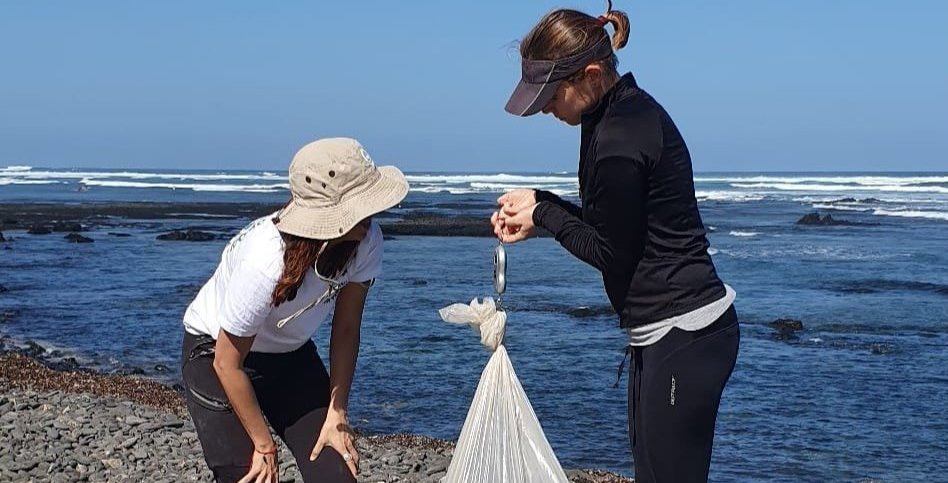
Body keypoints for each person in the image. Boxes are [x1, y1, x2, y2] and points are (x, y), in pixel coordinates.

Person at [492, 4, 740, 482]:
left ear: (589, 75)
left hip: (685, 332)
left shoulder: (621, 136)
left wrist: (544, 213)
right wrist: (542, 204)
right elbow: (613, 224)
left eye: (550, 95)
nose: (545, 108)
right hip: (665, 333)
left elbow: (610, 252)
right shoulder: (611, 114)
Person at [181, 137, 409, 483]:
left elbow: (347, 329)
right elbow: (227, 363)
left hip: (290, 357)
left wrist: (337, 412)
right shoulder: (265, 259)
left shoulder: (368, 240)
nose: (372, 216)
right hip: (216, 354)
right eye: (361, 206)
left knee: (336, 474)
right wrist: (264, 445)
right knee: (250, 475)